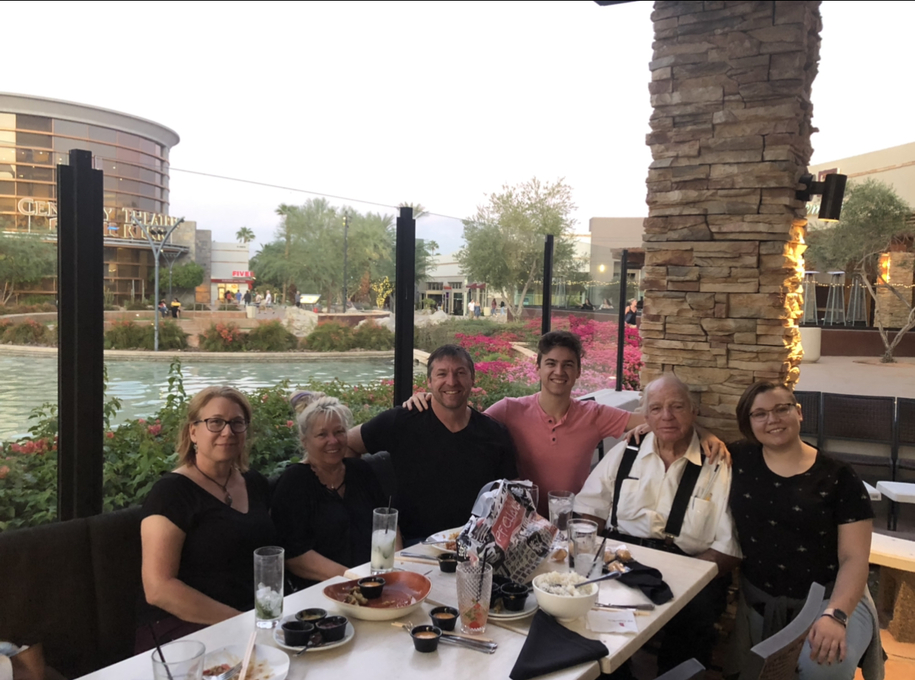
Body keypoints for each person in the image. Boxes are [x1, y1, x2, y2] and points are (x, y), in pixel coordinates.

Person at [404, 331, 725, 516]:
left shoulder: (594, 415)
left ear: (578, 371)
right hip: (516, 527)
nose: (559, 371)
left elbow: (662, 417)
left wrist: (703, 431)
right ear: (539, 368)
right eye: (551, 364)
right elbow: (463, 426)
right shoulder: (508, 409)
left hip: (570, 525)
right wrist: (423, 402)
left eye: (567, 365)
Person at [574, 374, 741, 673]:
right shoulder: (627, 451)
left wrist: (684, 581)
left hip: (688, 564)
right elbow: (590, 507)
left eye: (677, 407)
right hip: (621, 558)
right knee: (586, 609)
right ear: (646, 415)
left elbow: (727, 548)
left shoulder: (715, 462)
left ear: (694, 411)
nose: (666, 416)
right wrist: (587, 558)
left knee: (694, 617)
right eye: (656, 408)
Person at [725, 381, 882, 680]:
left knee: (824, 666)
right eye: (760, 414)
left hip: (833, 597)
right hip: (761, 601)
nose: (773, 419)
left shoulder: (839, 476)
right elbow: (687, 439)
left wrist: (836, 615)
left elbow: (855, 558)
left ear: (799, 413)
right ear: (748, 424)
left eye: (781, 408)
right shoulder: (738, 460)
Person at [139, 386, 276, 641]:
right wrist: (240, 622)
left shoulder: (255, 483)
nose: (228, 432)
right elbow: (158, 588)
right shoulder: (171, 494)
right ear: (193, 431)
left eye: (237, 423)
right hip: (185, 630)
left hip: (253, 621)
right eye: (215, 422)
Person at [347, 344, 518, 544]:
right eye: (442, 374)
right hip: (413, 546)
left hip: (474, 546)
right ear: (429, 381)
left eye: (460, 373)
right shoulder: (401, 421)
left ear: (473, 378)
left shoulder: (494, 433)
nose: (451, 382)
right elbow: (347, 444)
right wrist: (362, 503)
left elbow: (512, 497)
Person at [272, 397, 393, 590]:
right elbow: (296, 557)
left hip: (377, 583)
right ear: (305, 441)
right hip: (322, 591)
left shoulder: (361, 471)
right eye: (322, 435)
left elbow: (387, 524)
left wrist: (398, 573)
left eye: (339, 432)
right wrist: (355, 580)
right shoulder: (294, 482)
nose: (333, 441)